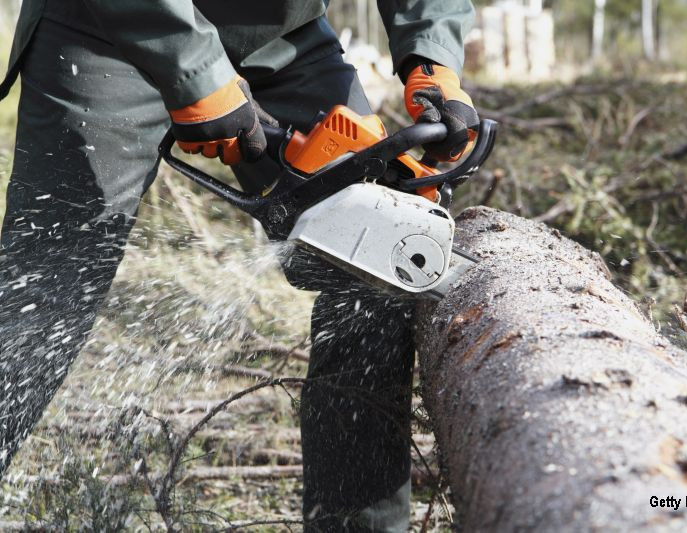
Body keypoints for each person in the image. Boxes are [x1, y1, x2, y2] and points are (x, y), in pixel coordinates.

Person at [0, 1, 478, 530]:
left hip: (281, 35)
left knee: (378, 266)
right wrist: (195, 69)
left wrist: (431, 55)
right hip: (108, 28)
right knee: (45, 294)